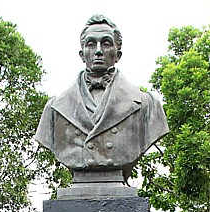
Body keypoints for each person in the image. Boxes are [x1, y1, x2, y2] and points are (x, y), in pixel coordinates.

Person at [34, 14, 168, 182]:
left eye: (106, 43)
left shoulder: (147, 106)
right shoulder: (55, 109)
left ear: (117, 54)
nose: (98, 50)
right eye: (91, 44)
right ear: (82, 54)